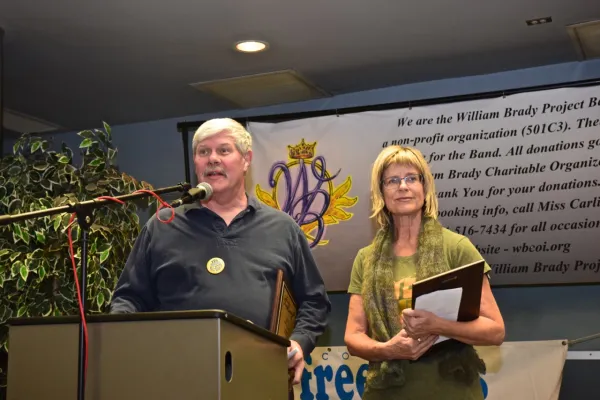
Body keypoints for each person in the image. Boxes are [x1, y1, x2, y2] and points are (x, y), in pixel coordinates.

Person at [110, 118, 331, 388]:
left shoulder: (283, 229)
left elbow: (314, 302)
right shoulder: (163, 225)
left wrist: (299, 342)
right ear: (195, 162)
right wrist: (125, 342)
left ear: (246, 159)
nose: (212, 159)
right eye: (203, 151)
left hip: (259, 377)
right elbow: (129, 299)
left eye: (224, 150)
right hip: (175, 379)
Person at [344, 145, 505, 399]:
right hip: (386, 392)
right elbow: (353, 337)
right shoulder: (365, 259)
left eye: (411, 178)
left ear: (424, 187)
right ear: (381, 192)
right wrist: (389, 350)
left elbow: (495, 330)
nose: (403, 187)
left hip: (453, 392)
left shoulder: (457, 247)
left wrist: (438, 325)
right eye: (392, 181)